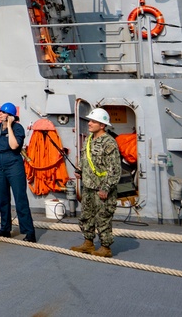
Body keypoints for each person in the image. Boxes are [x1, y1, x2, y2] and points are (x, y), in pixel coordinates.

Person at [71, 107, 121, 257]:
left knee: (103, 218)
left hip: (102, 188)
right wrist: (80, 170)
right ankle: (88, 243)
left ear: (102, 125)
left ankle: (106, 248)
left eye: (93, 121)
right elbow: (86, 158)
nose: (89, 123)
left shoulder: (109, 143)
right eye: (90, 120)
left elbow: (115, 169)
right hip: (88, 187)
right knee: (86, 216)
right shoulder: (88, 140)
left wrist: (106, 188)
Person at [0, 102, 36, 242]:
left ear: (10, 116)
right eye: (0, 112)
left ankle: (29, 232)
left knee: (20, 198)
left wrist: (9, 126)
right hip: (0, 164)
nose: (0, 114)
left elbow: (14, 146)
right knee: (3, 198)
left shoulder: (18, 128)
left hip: (13, 164)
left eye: (3, 112)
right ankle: (5, 229)